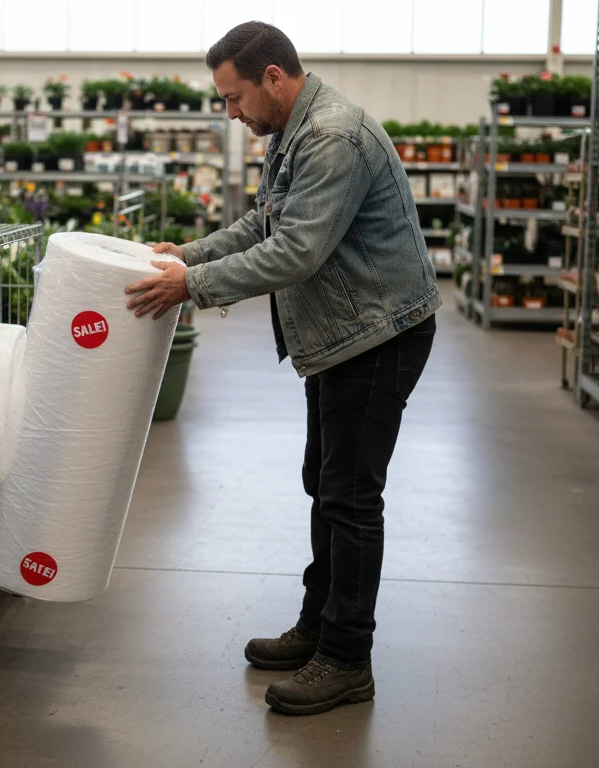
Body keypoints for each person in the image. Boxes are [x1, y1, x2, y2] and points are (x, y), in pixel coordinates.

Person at [124, 21, 440, 716]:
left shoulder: (330, 137)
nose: (230, 114)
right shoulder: (291, 132)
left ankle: (346, 658)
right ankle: (320, 626)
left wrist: (191, 287)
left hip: (377, 335)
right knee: (323, 482)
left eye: (235, 98)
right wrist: (191, 255)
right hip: (343, 334)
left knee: (350, 497)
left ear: (273, 77)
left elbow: (296, 252)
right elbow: (264, 225)